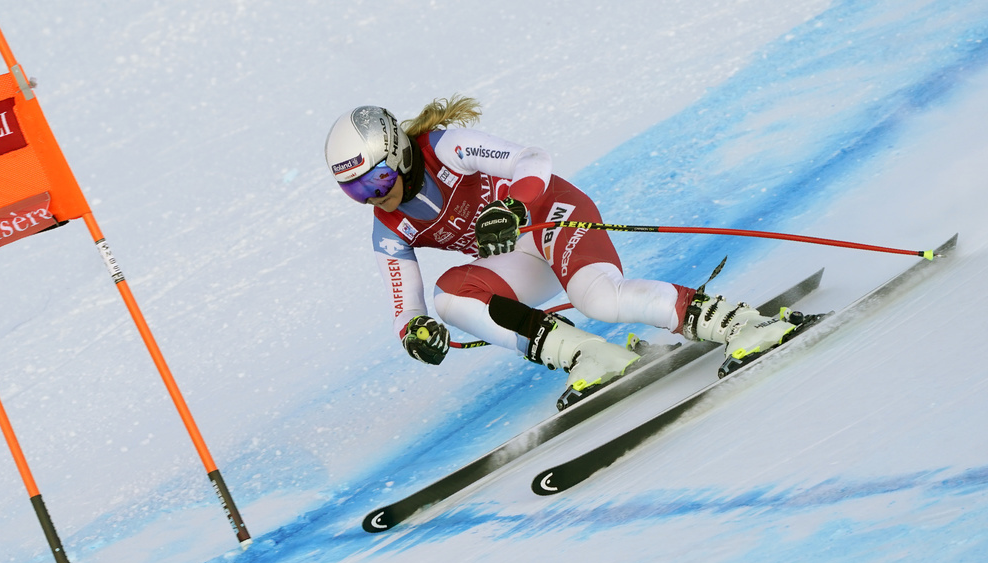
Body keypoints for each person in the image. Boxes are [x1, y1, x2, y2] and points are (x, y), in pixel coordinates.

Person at [324, 96, 806, 410]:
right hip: (518, 257)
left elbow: (532, 159)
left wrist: (512, 206)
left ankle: (744, 323)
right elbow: (406, 307)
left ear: (401, 154)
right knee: (450, 298)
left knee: (599, 300)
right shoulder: (388, 228)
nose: (373, 196)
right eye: (355, 191)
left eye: (378, 178)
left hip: (551, 215)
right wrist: (415, 331)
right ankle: (589, 356)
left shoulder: (444, 149)